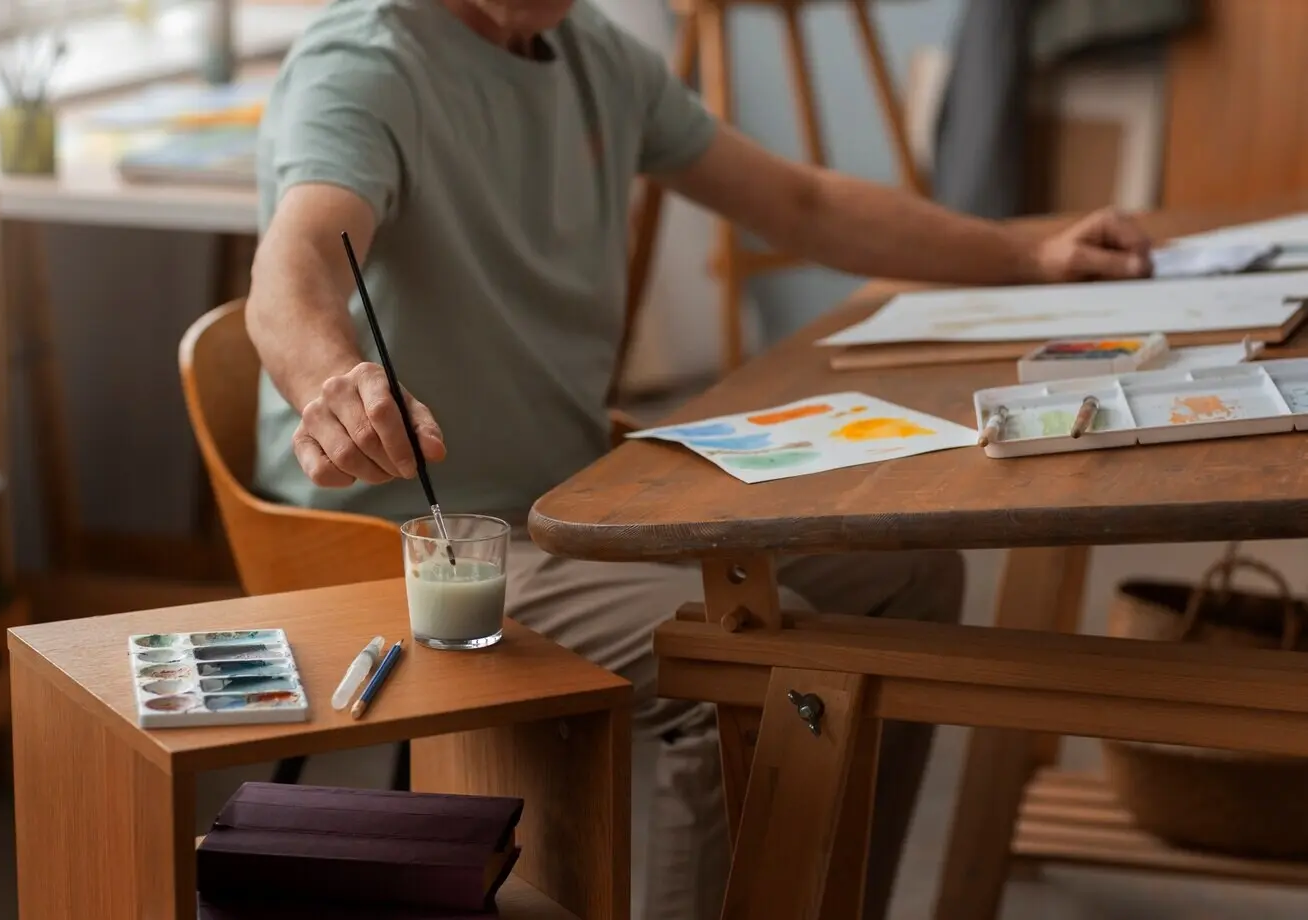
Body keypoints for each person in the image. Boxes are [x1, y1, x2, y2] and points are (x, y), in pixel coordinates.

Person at [247, 1, 1153, 917]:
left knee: (907, 578)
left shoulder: (598, 55)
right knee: (741, 660)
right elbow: (296, 262)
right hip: (408, 539)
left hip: (570, 499)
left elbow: (799, 203)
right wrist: (335, 381)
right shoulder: (363, 62)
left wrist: (1029, 255)